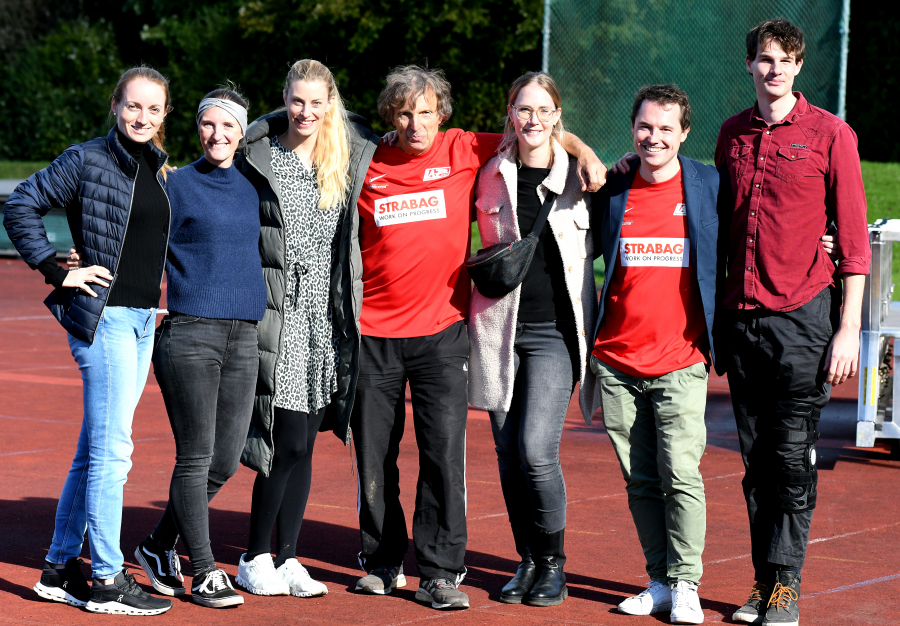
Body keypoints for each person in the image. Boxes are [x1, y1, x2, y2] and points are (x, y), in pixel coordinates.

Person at [351, 64, 606, 611]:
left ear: (442, 114)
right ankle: (383, 560)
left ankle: (444, 571)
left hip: (446, 330)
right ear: (389, 117)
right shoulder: (364, 162)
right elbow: (312, 125)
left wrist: (584, 150)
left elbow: (539, 129)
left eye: (425, 111)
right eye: (404, 112)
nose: (415, 123)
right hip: (379, 332)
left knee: (456, 456)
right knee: (377, 458)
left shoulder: (466, 149)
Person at [2, 66, 175, 616]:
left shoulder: (160, 168)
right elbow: (20, 203)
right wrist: (57, 269)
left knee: (92, 451)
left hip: (142, 319)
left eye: (153, 109)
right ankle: (105, 578)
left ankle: (57, 567)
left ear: (165, 115)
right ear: (115, 105)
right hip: (106, 322)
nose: (141, 117)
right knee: (112, 453)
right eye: (133, 106)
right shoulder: (87, 159)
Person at [716, 18, 869, 626]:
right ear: (749, 64)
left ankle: (786, 586)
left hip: (803, 320)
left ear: (799, 66)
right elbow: (717, 223)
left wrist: (848, 327)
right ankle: (761, 581)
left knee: (791, 454)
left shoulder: (832, 134)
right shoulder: (730, 135)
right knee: (755, 462)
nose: (773, 68)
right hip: (741, 319)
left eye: (784, 59)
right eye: (764, 58)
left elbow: (853, 241)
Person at [234, 59, 381, 599]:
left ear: (330, 103)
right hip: (281, 313)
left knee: (307, 444)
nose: (306, 111)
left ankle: (289, 556)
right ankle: (254, 555)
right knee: (286, 439)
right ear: (284, 99)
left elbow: (405, 130)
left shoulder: (345, 154)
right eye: (297, 100)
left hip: (327, 316)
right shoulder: (261, 154)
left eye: (317, 101)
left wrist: (572, 145)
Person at [590, 84, 728, 625]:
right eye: (646, 127)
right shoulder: (614, 187)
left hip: (681, 360)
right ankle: (659, 580)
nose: (655, 137)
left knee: (682, 475)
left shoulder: (707, 184)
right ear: (632, 129)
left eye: (666, 128)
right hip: (617, 362)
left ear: (684, 133)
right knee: (641, 481)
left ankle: (687, 583)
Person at [467, 71, 600, 608]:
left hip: (553, 335)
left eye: (544, 111)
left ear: (558, 116)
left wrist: (580, 147)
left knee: (535, 450)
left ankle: (553, 564)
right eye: (524, 109)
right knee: (505, 452)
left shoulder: (583, 177)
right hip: (499, 329)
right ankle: (526, 559)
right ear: (510, 113)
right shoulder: (489, 170)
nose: (533, 120)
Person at [131, 85, 265, 609]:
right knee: (196, 456)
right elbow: (138, 237)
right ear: (197, 128)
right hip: (191, 334)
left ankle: (156, 545)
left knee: (226, 461)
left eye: (229, 125)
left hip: (244, 336)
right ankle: (205, 571)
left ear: (241, 131)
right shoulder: (176, 185)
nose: (218, 134)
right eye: (209, 124)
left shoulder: (254, 187)